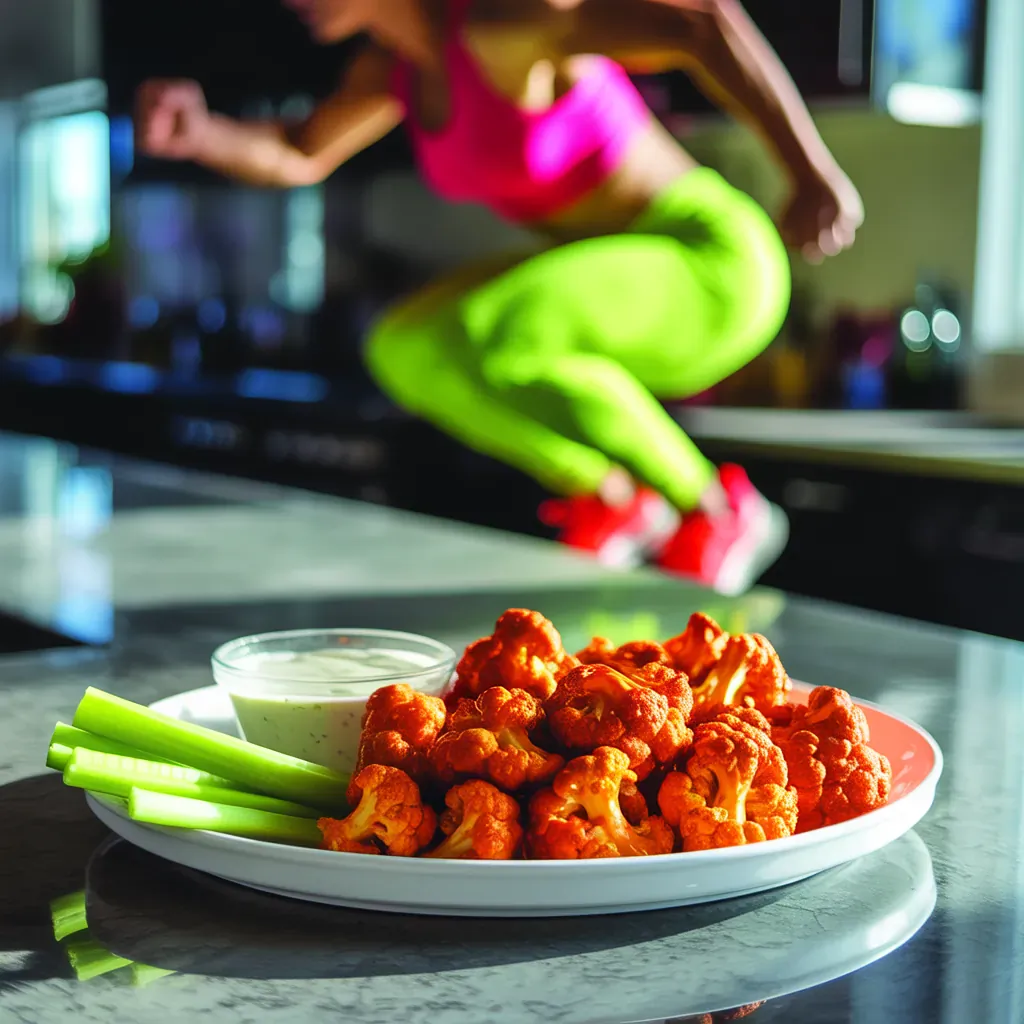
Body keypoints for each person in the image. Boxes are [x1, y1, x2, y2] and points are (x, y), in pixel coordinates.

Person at [135, 0, 863, 594]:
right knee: (407, 345)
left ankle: (717, 507)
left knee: (507, 332)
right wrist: (202, 135)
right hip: (611, 279)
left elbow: (701, 21)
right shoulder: (393, 72)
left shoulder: (505, 22)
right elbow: (299, 150)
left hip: (714, 266)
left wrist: (810, 172)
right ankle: (612, 494)